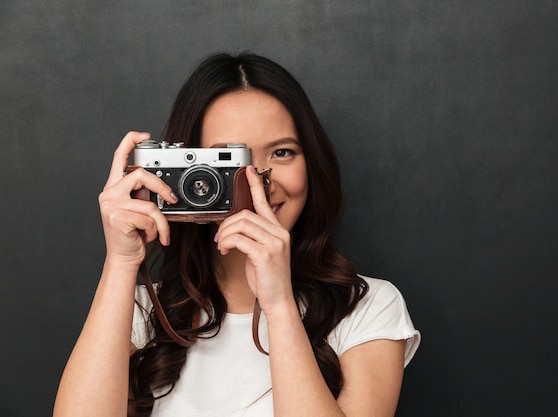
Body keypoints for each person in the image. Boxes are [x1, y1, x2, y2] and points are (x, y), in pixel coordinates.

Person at [53, 52, 420, 417]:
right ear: (185, 174)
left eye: (282, 152)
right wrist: (120, 262)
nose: (259, 179)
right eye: (229, 159)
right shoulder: (141, 311)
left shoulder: (368, 308)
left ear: (312, 162)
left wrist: (279, 306)